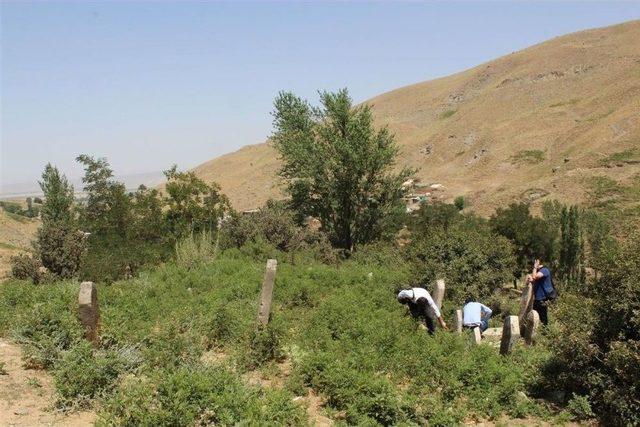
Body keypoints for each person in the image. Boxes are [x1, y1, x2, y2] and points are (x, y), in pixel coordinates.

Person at [528, 258, 556, 326]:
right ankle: (537, 332)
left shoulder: (544, 270)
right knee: (534, 317)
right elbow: (533, 279)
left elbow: (534, 277)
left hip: (542, 299)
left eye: (535, 262)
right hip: (537, 299)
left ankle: (545, 333)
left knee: (543, 319)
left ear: (538, 263)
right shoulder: (539, 272)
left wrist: (534, 267)